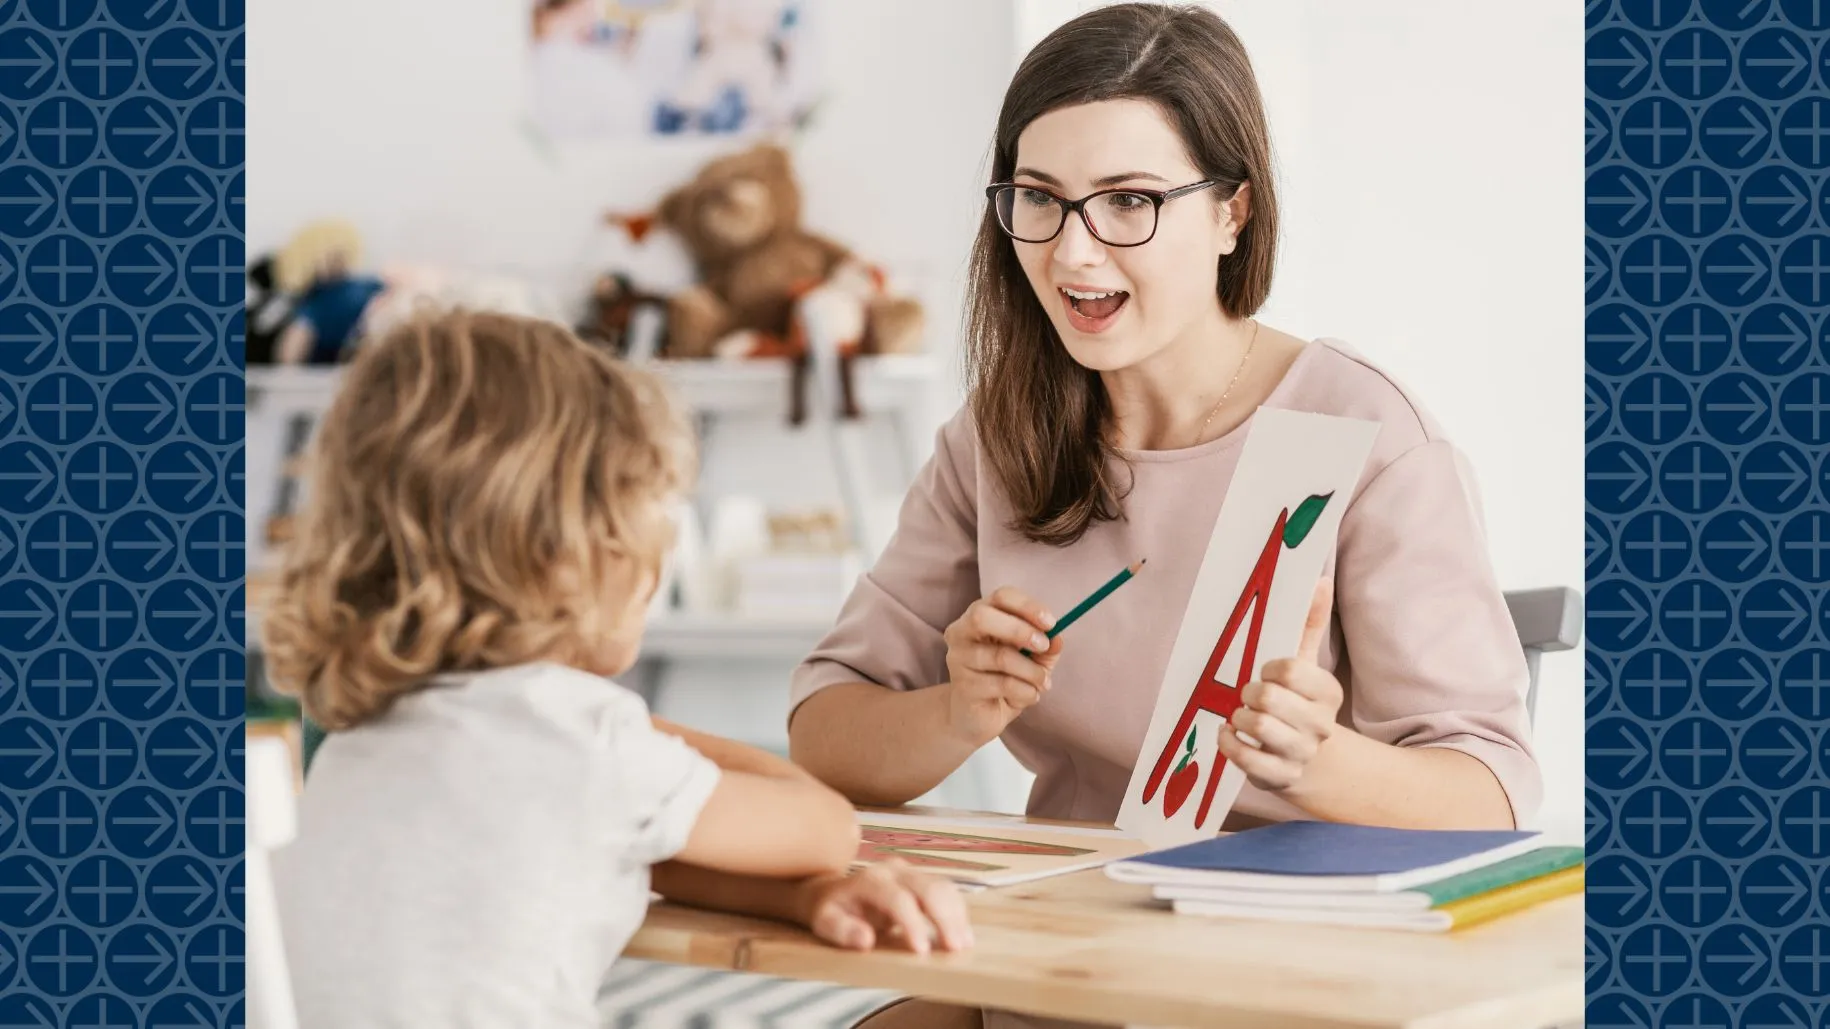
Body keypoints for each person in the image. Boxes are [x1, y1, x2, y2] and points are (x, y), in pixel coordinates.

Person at [787, 6, 1541, 1025]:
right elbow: (826, 740)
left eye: (1130, 202)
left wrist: (1321, 763)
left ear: (1232, 211)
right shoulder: (1001, 434)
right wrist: (954, 712)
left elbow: (1493, 800)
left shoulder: (1365, 433)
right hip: (1067, 956)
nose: (1073, 253)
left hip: (1294, 970)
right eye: (1039, 200)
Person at [262, 311, 971, 1028]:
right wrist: (628, 723)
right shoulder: (583, 739)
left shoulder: (357, 743)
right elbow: (826, 827)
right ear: (576, 553)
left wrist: (800, 898)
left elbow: (627, 847)